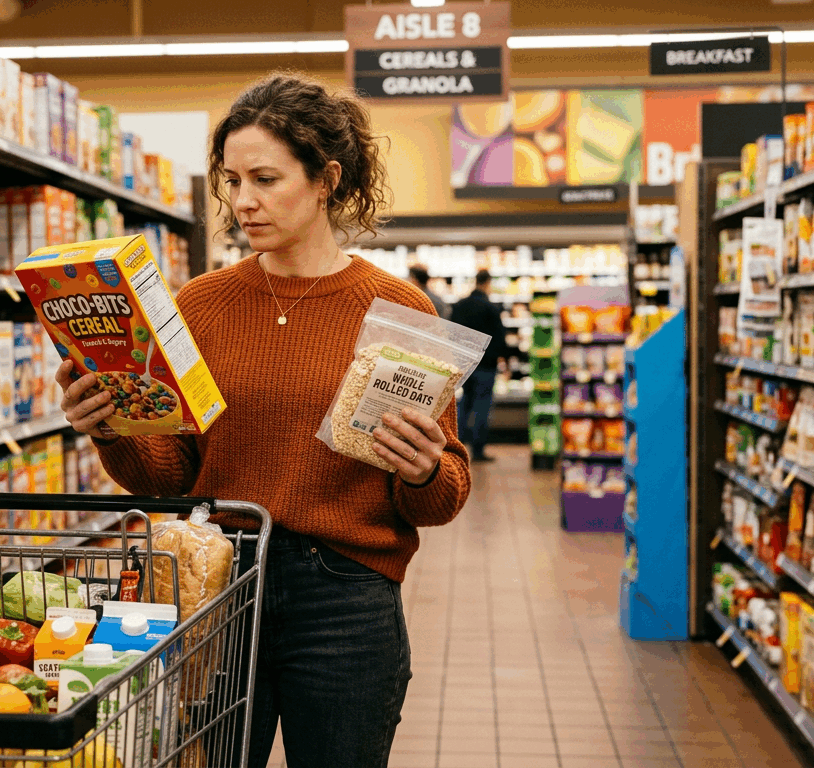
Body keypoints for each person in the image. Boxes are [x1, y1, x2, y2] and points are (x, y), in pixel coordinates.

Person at [56, 73, 471, 768]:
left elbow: (442, 496)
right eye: (232, 180)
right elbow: (172, 477)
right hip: (216, 584)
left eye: (265, 179)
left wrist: (425, 469)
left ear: (326, 180)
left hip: (346, 598)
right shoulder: (200, 304)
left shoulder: (399, 311)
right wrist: (111, 426)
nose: (243, 200)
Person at [447, 268, 507, 462]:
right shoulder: (490, 307)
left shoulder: (460, 305)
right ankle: (478, 450)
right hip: (486, 366)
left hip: (464, 364)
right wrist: (502, 358)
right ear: (487, 283)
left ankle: (457, 447)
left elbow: (452, 333)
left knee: (463, 404)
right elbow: (499, 337)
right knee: (482, 406)